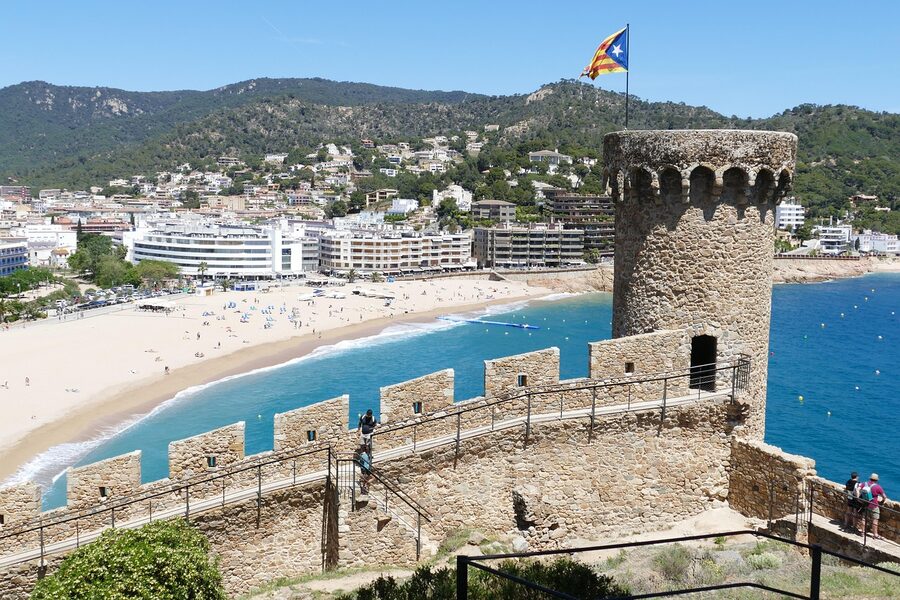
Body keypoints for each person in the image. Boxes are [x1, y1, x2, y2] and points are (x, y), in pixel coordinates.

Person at [860, 473, 888, 539]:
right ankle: (875, 534)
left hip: (865, 504)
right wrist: (882, 501)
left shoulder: (865, 484)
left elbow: (858, 488)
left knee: (863, 518)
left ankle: (862, 532)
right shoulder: (878, 487)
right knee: (875, 520)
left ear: (870, 478)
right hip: (874, 506)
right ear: (876, 480)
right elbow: (884, 497)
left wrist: (859, 498)